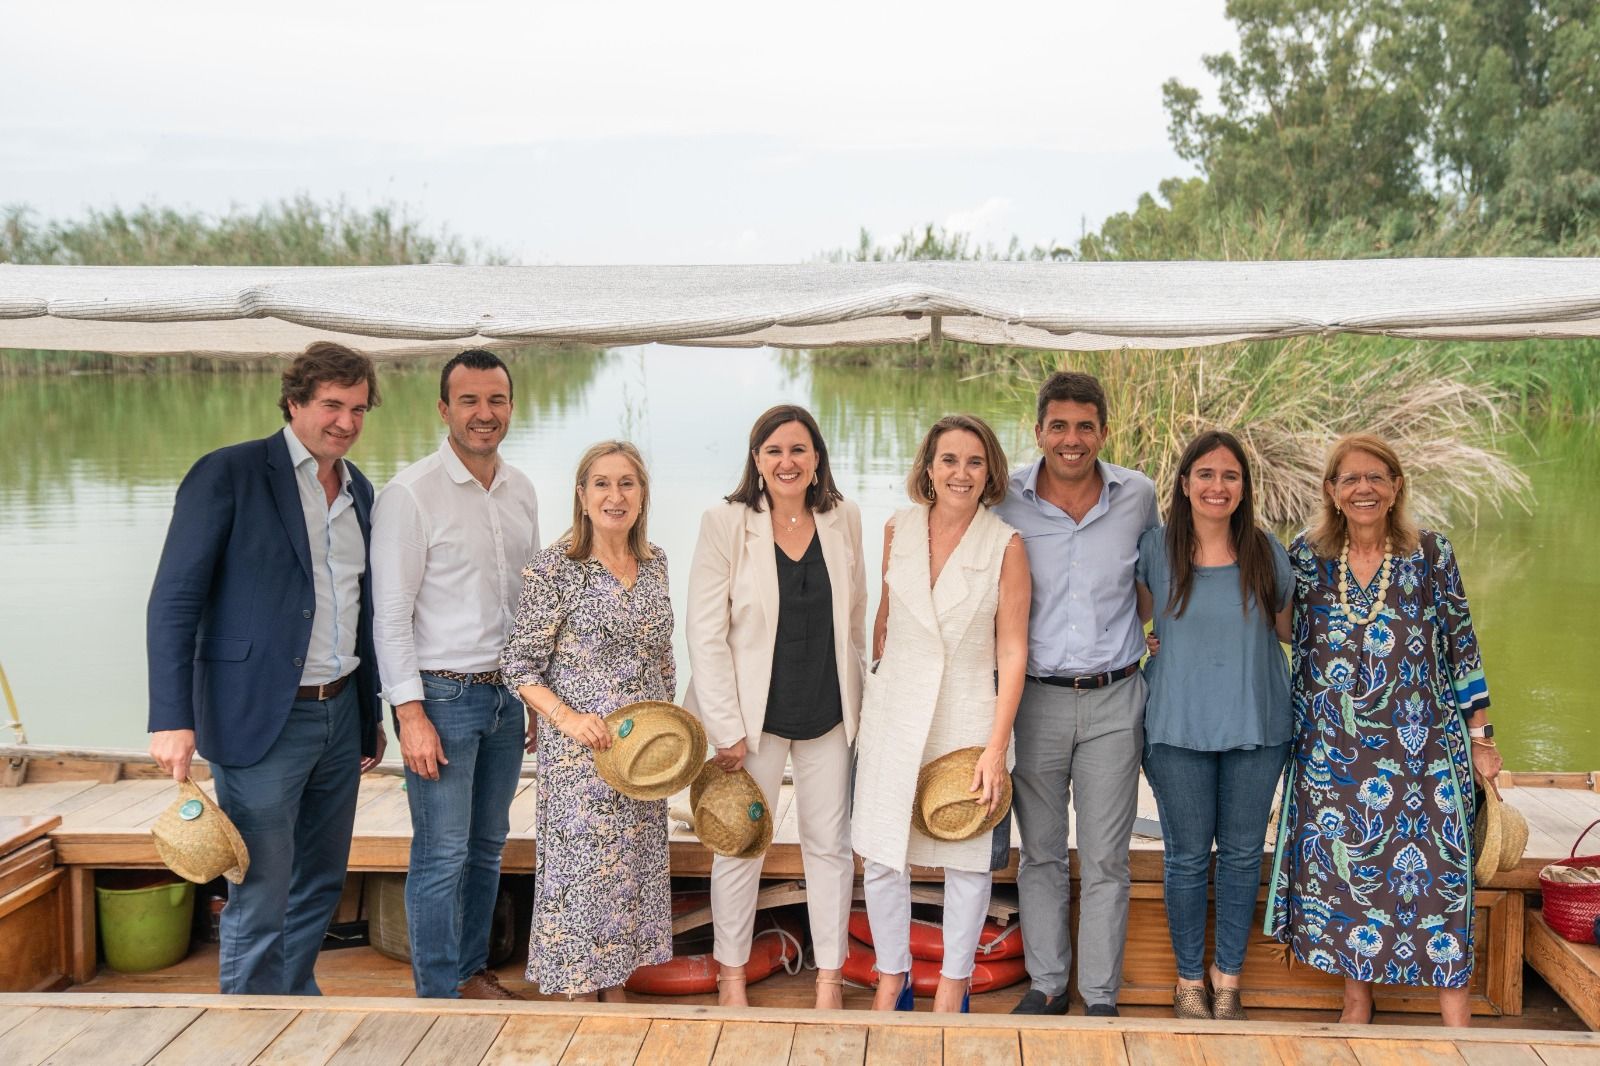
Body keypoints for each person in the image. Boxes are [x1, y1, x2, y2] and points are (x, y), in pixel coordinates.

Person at [146, 341, 386, 995]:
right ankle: (249, 1025)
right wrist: (171, 718)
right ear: (294, 401)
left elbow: (357, 609)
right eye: (331, 405)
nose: (345, 422)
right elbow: (174, 601)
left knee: (322, 882)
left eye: (358, 409)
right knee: (260, 885)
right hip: (259, 717)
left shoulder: (360, 491)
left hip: (340, 713)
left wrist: (368, 714)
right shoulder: (228, 473)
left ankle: (292, 1000)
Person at [1266, 434, 1504, 1027]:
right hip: (1333, 753)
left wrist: (1482, 738)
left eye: (1376, 477)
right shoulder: (1306, 557)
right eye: (1350, 479)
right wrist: (1167, 637)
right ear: (1331, 491)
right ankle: (1357, 1001)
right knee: (1349, 876)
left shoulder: (1431, 553)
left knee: (1442, 875)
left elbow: (1462, 645)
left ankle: (1456, 1017)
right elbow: (1272, 627)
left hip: (1424, 750)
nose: (1363, 489)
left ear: (1396, 487)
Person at [685, 404, 867, 1010]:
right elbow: (705, 632)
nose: (787, 462)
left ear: (816, 458)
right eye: (774, 451)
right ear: (757, 460)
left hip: (827, 712)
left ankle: (829, 978)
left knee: (829, 847)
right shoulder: (725, 523)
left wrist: (861, 705)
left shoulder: (844, 518)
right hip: (750, 722)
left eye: (798, 449)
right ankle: (732, 976)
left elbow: (857, 618)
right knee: (740, 845)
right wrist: (724, 727)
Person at [371, 349, 539, 1000]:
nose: (483, 413)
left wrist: (533, 693)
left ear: (511, 407)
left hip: (505, 697)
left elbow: (532, 604)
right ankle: (439, 992)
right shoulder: (411, 494)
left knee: (488, 843)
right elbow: (390, 617)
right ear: (444, 409)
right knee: (441, 852)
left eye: (496, 400)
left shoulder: (521, 490)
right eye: (469, 400)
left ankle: (471, 972)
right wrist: (409, 714)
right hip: (440, 699)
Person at [994, 370, 1159, 1017]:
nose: (1072, 439)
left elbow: (1153, 585)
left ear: (1104, 432)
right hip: (1033, 699)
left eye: (1085, 427)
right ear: (1038, 431)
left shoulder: (1138, 495)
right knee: (1039, 853)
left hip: (1115, 698)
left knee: (1107, 857)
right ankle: (1047, 985)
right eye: (1059, 426)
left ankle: (1100, 997)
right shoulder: (1003, 498)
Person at [853, 414, 1030, 1013]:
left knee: (967, 860)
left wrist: (995, 748)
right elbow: (885, 619)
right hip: (894, 713)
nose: (961, 473)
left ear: (990, 473)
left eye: (974, 462)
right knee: (883, 853)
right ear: (928, 468)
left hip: (966, 714)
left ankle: (954, 984)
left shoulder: (1005, 544)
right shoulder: (896, 529)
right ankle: (892, 975)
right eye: (949, 460)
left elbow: (1012, 651)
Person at [501, 440, 674, 1001]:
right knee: (584, 874)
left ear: (642, 494)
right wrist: (569, 719)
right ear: (581, 495)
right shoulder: (554, 569)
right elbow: (518, 665)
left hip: (644, 753)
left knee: (631, 872)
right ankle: (579, 991)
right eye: (601, 483)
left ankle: (615, 983)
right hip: (583, 753)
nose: (614, 496)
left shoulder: (655, 563)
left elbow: (662, 657)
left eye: (627, 483)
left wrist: (672, 735)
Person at [1134, 430, 1292, 1021]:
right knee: (1186, 857)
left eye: (1230, 476)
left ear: (1244, 488)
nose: (1217, 486)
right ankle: (1188, 982)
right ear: (1184, 483)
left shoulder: (1265, 552)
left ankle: (1228, 981)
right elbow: (1129, 621)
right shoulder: (1155, 549)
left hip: (1257, 725)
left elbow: (1291, 631)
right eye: (1205, 474)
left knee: (1244, 854)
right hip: (1176, 725)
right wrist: (1148, 641)